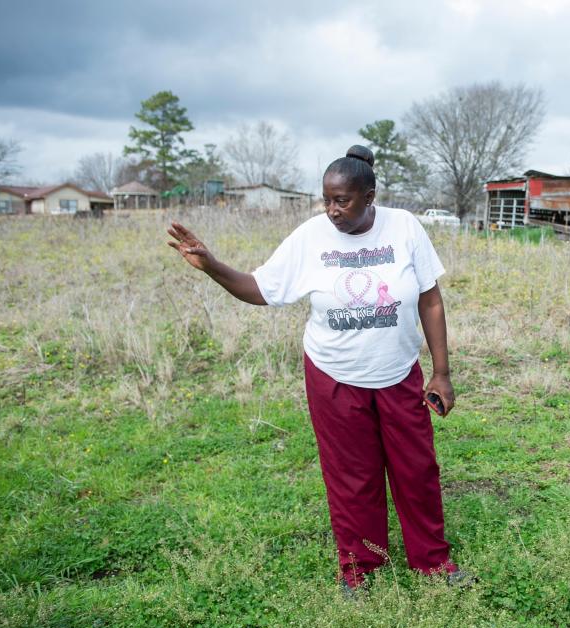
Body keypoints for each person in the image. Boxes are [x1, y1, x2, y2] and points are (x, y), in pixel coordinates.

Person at [166, 145, 470, 592]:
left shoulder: (404, 227)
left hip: (399, 373)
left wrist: (440, 372)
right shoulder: (311, 237)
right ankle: (360, 570)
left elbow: (430, 298)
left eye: (341, 201)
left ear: (369, 197)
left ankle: (432, 564)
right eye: (326, 200)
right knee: (351, 476)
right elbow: (258, 289)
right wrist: (211, 265)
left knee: (417, 471)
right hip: (334, 375)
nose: (331, 210)